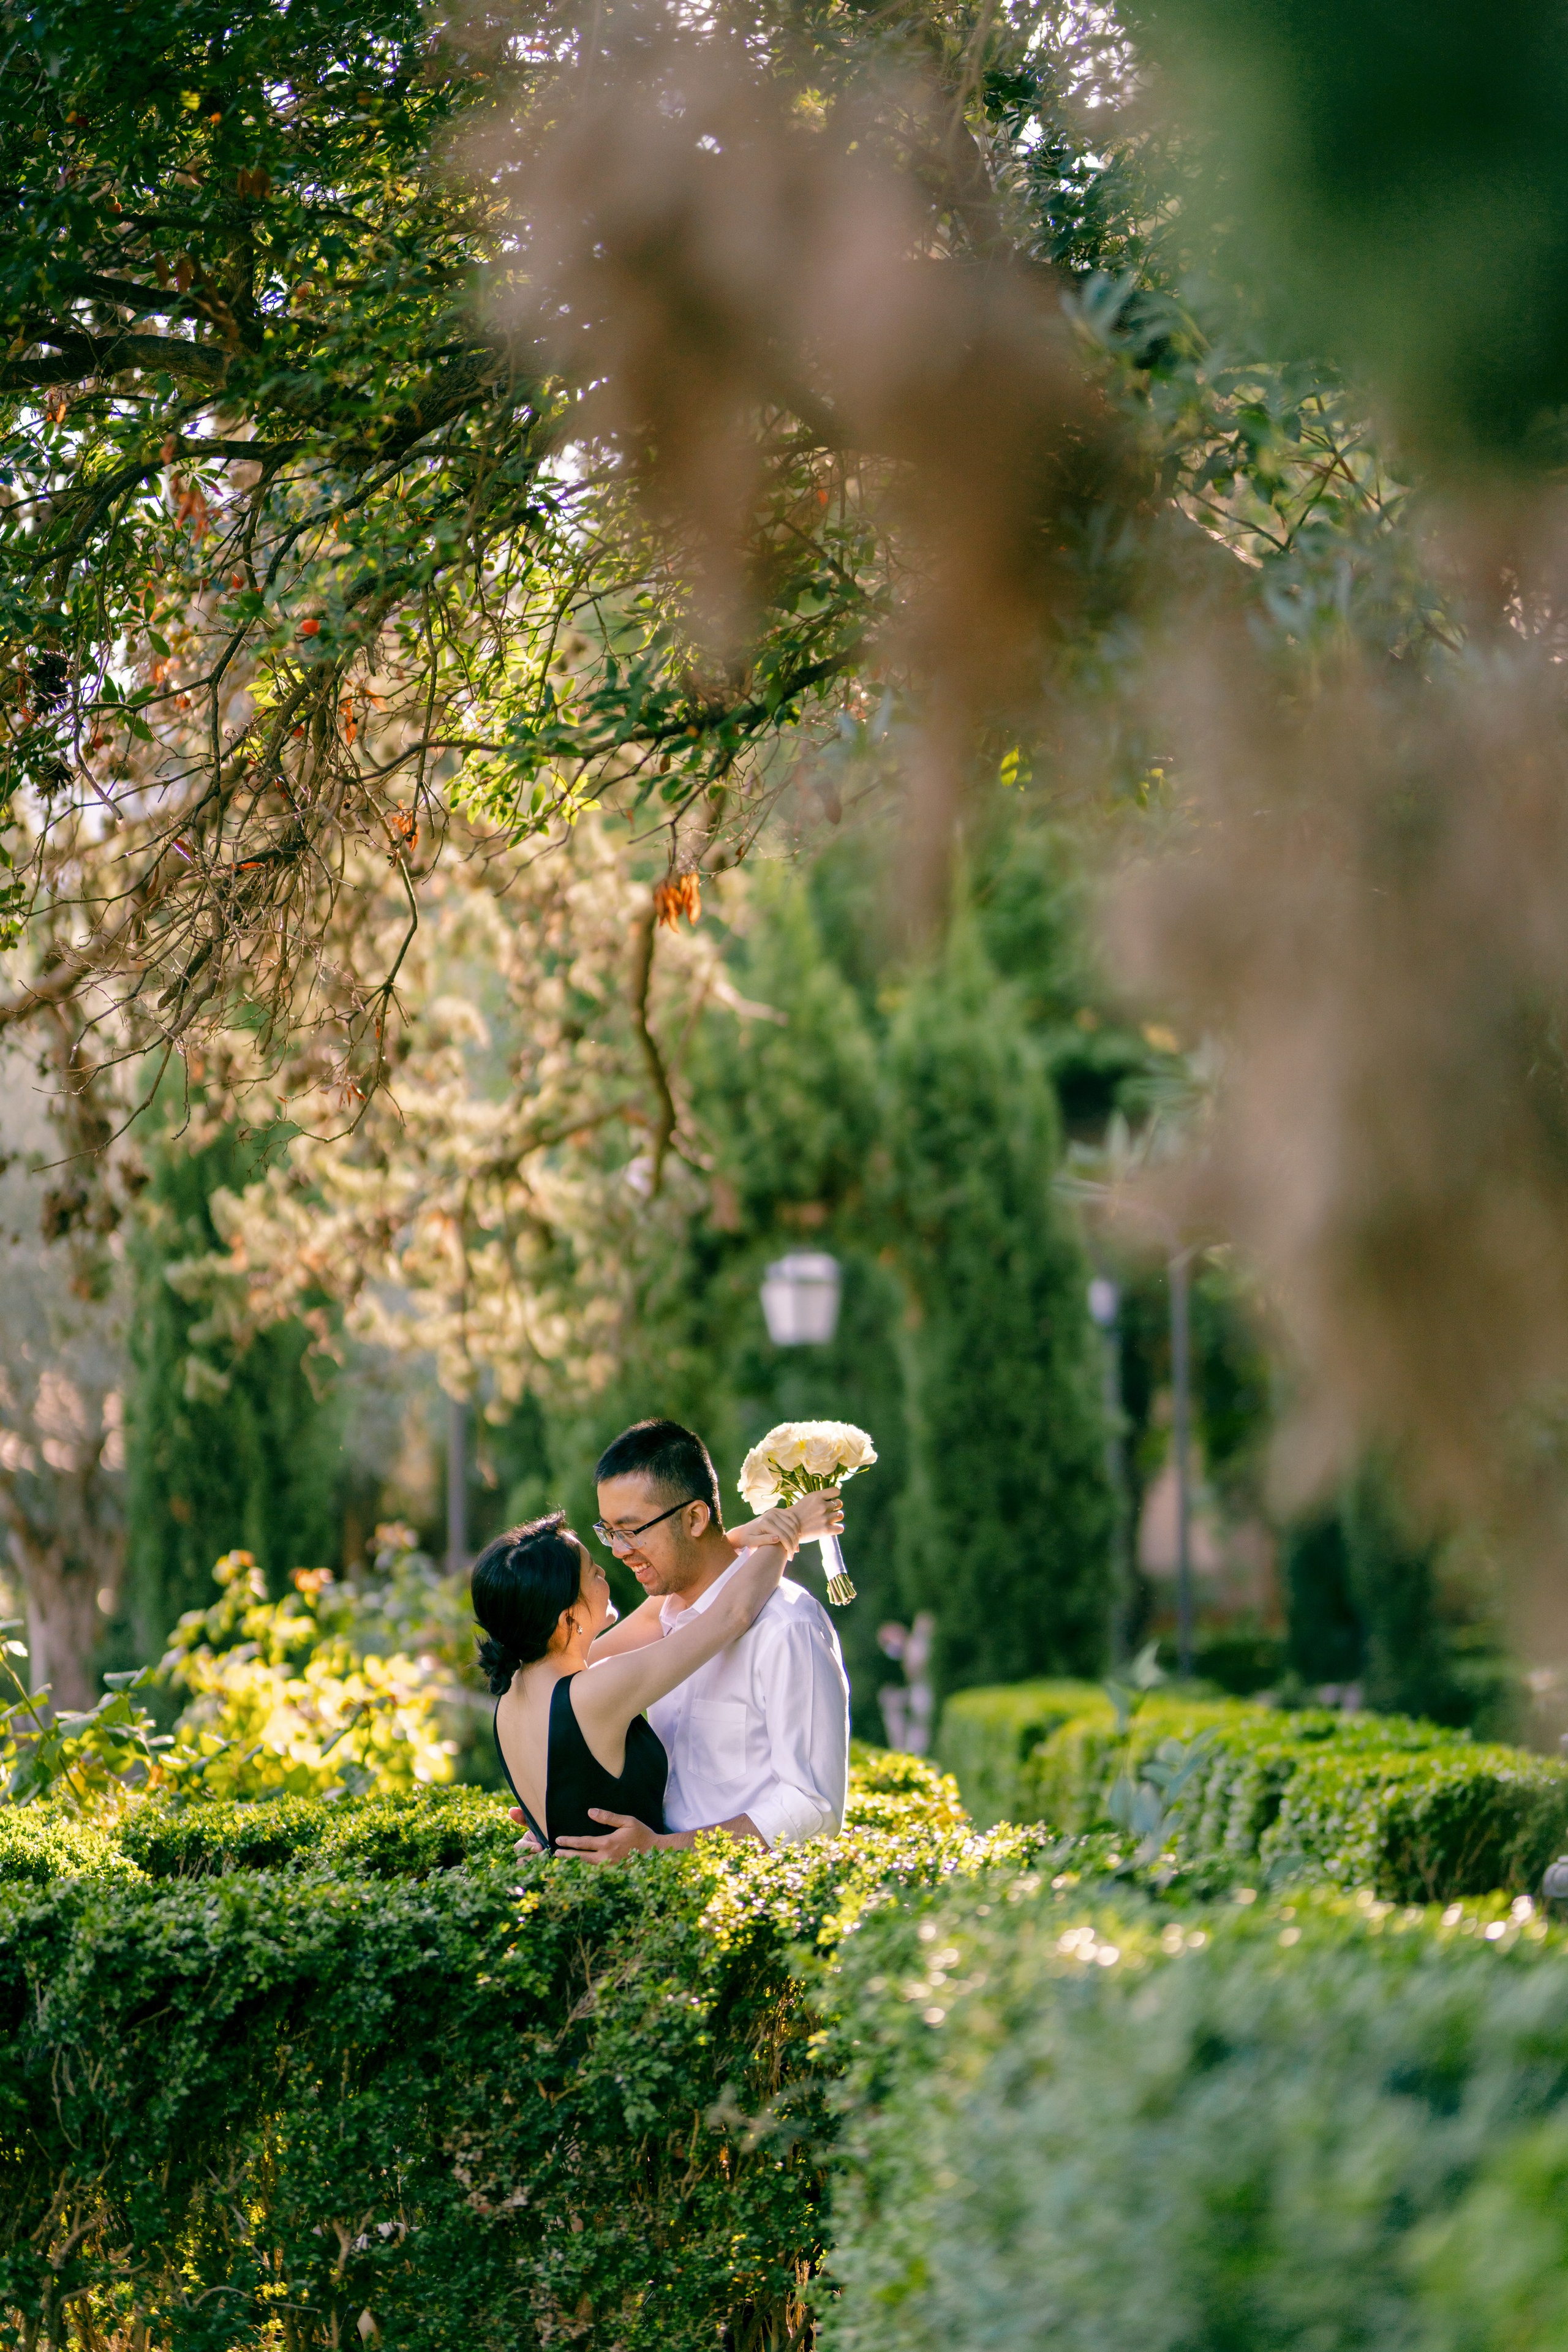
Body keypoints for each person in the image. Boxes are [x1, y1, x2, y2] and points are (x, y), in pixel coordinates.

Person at [496, 1418, 850, 1861]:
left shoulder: (786, 1626)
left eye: (631, 1530)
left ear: (696, 1517)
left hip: (739, 1910)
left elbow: (813, 1807)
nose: (619, 1552)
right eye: (608, 1533)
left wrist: (665, 1849)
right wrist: (563, 1820)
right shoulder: (664, 1627)